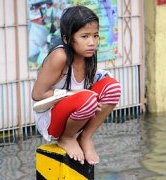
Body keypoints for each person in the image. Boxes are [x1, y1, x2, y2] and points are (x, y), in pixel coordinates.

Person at [32, 5, 121, 165]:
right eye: (85, 36)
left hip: (78, 112)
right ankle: (66, 138)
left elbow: (96, 86)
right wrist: (73, 95)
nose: (92, 42)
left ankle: (85, 136)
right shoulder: (60, 56)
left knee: (113, 87)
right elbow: (37, 94)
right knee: (87, 97)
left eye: (95, 36)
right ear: (67, 39)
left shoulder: (88, 55)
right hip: (52, 120)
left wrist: (84, 95)